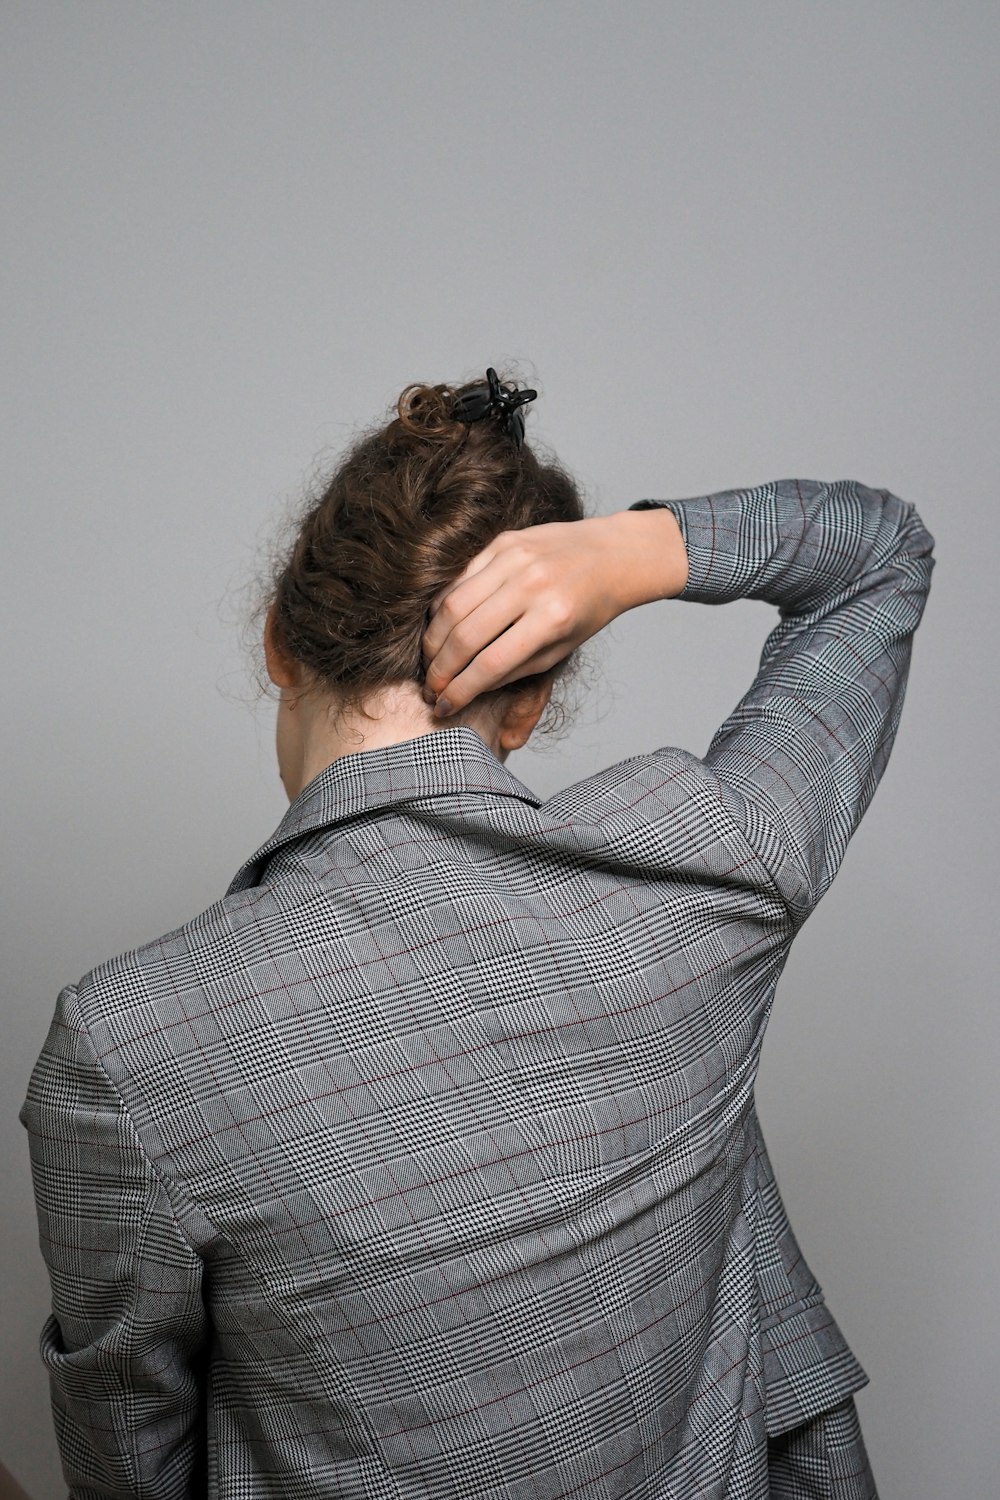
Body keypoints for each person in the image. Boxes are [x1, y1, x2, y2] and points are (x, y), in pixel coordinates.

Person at [21, 367, 935, 1500]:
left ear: (275, 641)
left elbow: (130, 1471)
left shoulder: (128, 1050)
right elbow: (877, 552)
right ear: (534, 700)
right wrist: (632, 552)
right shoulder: (701, 866)